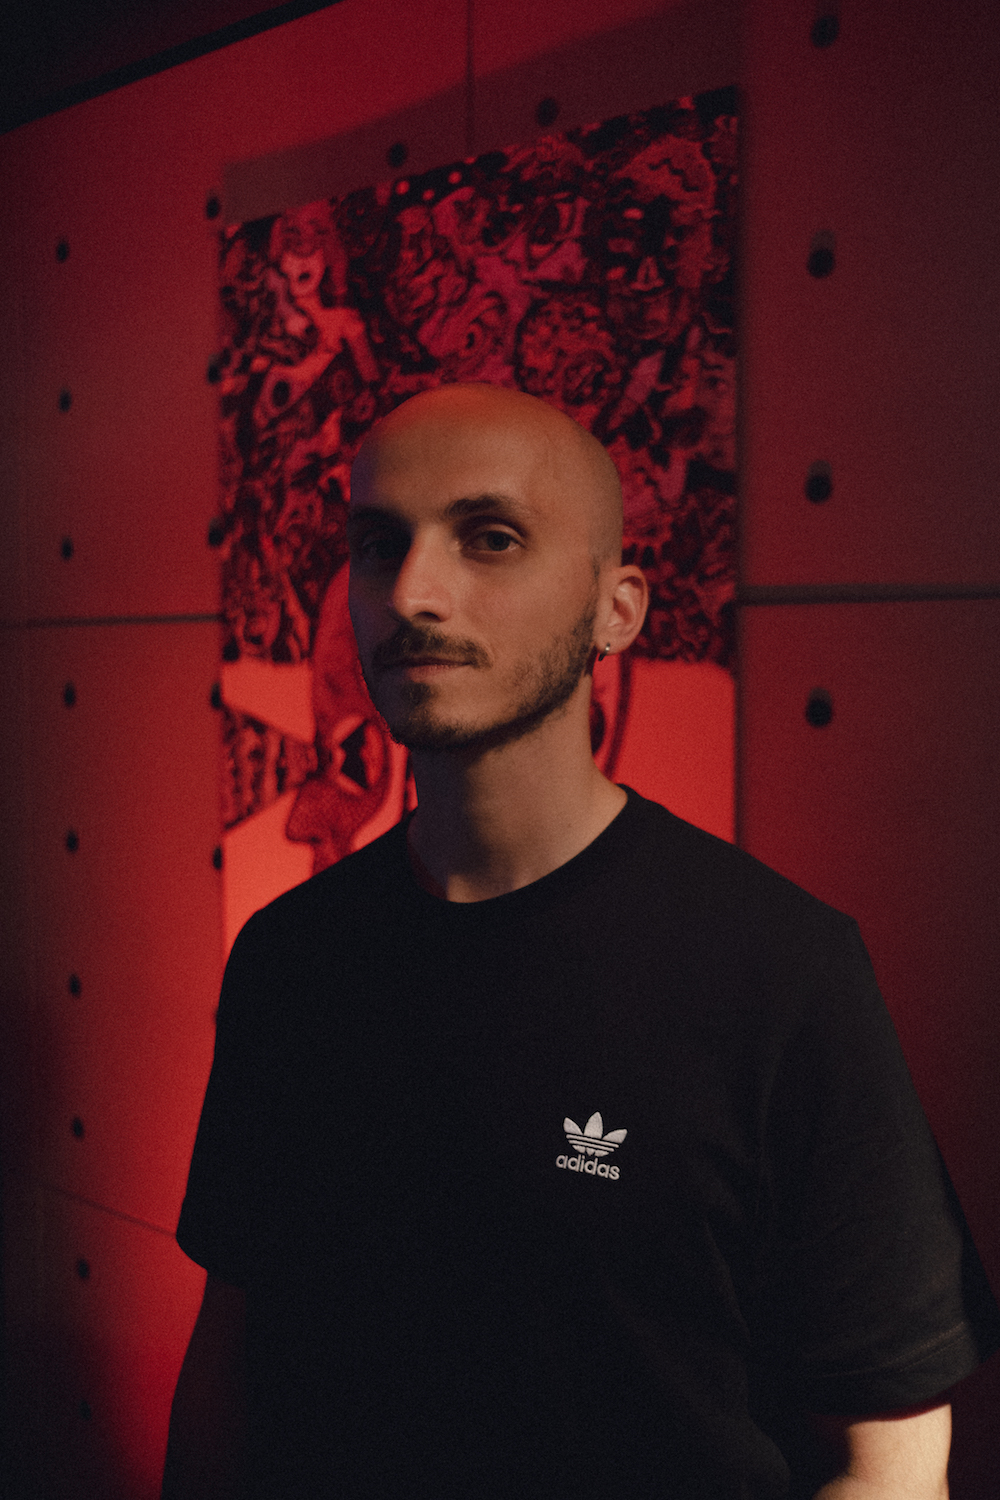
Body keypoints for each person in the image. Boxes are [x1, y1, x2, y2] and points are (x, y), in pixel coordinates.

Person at [164, 384, 999, 1500]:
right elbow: (230, 1362)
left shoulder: (779, 973)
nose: (411, 592)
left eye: (489, 537)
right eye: (377, 544)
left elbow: (888, 1462)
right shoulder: (289, 956)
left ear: (618, 610)